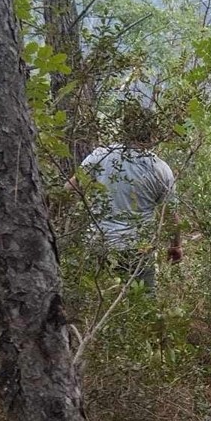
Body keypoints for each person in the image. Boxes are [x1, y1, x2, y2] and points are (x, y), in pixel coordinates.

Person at [73, 107, 181, 291]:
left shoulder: (100, 156)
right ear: (153, 132)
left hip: (99, 244)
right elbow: (172, 218)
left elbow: (69, 188)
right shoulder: (160, 169)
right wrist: (176, 246)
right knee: (142, 307)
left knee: (96, 300)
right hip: (138, 249)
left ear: (124, 128)